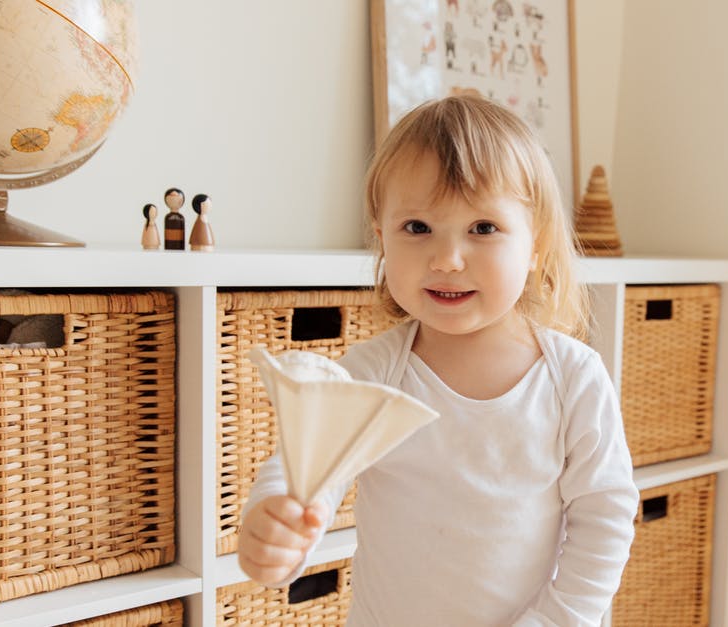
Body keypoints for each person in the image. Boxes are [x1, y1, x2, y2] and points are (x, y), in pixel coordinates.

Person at [238, 95, 638, 626]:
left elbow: (605, 520)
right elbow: (303, 470)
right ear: (382, 239)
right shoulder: (374, 374)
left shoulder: (574, 380)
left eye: (483, 229)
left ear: (536, 245)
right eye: (418, 228)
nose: (447, 259)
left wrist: (554, 620)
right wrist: (273, 527)